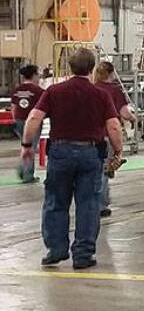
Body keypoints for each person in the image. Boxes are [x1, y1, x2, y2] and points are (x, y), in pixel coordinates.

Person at [21, 48, 124, 270]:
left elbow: (33, 117)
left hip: (60, 152)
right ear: (92, 68)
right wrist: (118, 151)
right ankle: (83, 255)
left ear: (70, 67)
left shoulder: (54, 91)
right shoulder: (101, 95)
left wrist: (27, 145)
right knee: (88, 204)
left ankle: (56, 250)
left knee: (56, 201)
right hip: (90, 154)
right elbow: (113, 125)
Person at [94, 61, 137, 218]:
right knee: (104, 170)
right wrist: (133, 118)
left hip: (89, 135)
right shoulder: (114, 91)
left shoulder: (92, 88)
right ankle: (101, 206)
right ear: (111, 74)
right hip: (107, 135)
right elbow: (124, 113)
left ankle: (88, 202)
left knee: (92, 171)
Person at [12, 65, 44, 183]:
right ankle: (27, 174)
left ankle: (23, 169)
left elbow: (14, 107)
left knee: (25, 145)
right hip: (33, 122)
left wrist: (15, 120)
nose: (39, 77)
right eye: (38, 75)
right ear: (34, 75)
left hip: (19, 121)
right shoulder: (38, 91)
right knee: (31, 147)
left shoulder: (17, 90)